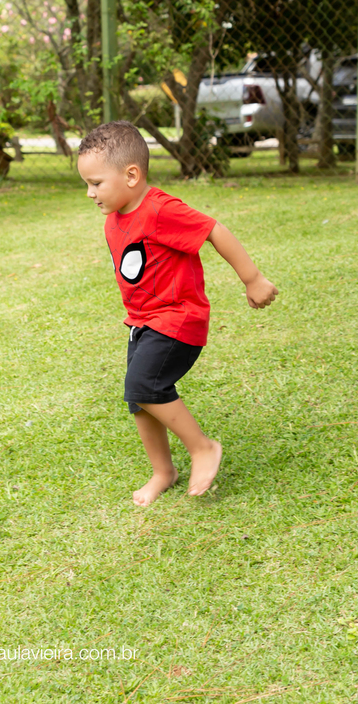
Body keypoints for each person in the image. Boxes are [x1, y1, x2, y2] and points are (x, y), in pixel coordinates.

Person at [77, 121, 279, 506]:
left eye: (97, 183)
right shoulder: (115, 220)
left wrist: (252, 279)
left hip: (177, 319)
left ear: (131, 175)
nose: (90, 193)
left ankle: (202, 448)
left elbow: (212, 229)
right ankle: (163, 471)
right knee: (138, 398)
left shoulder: (161, 210)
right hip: (143, 323)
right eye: (87, 184)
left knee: (145, 386)